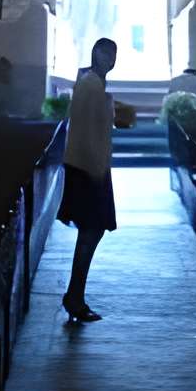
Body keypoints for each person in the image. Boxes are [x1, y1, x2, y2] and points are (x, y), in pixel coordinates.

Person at [57, 35, 124, 321]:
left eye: (113, 55)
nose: (109, 60)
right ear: (96, 55)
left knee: (91, 232)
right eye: (105, 54)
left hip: (90, 166)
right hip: (89, 169)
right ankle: (74, 297)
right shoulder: (91, 85)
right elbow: (86, 132)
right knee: (90, 232)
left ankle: (75, 295)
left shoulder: (92, 83)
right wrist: (97, 170)